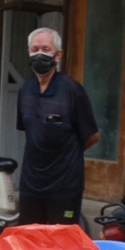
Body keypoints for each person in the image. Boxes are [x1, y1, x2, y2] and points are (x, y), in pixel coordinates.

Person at [15, 27, 99, 225]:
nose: (39, 53)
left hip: (64, 186)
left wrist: (67, 153)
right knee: (31, 244)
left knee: (61, 246)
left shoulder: (72, 90)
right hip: (31, 185)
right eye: (35, 49)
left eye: (46, 48)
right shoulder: (25, 90)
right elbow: (30, 132)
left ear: (58, 55)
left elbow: (92, 135)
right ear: (28, 52)